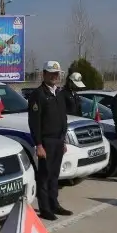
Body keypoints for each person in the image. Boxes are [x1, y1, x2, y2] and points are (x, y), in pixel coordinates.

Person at [27, 60, 72, 220]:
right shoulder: (38, 95)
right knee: (44, 176)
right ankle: (45, 208)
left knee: (54, 175)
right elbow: (34, 122)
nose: (54, 76)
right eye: (51, 73)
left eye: (56, 74)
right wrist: (38, 144)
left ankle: (54, 204)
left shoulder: (59, 93)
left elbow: (63, 118)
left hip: (58, 141)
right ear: (44, 74)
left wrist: (64, 140)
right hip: (45, 142)